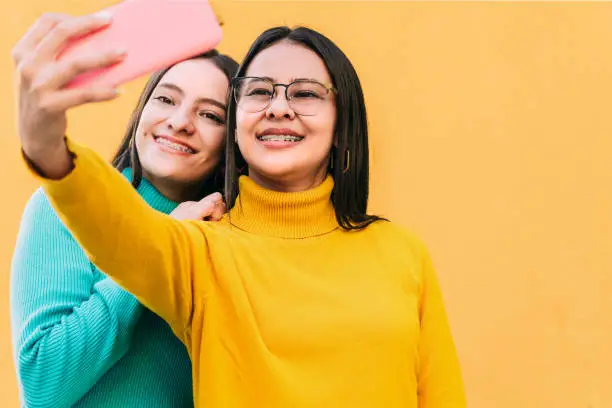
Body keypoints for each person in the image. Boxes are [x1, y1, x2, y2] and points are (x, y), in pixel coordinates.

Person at [13, 11, 466, 408]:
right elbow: (113, 221)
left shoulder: (402, 252)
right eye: (260, 92)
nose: (279, 107)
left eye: (305, 94)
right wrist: (46, 145)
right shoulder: (197, 248)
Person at [10, 12, 238, 407]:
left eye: (210, 115)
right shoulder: (66, 203)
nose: (180, 121)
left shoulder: (228, 235)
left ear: (229, 144)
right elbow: (43, 383)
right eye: (166, 98)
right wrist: (157, 249)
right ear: (142, 110)